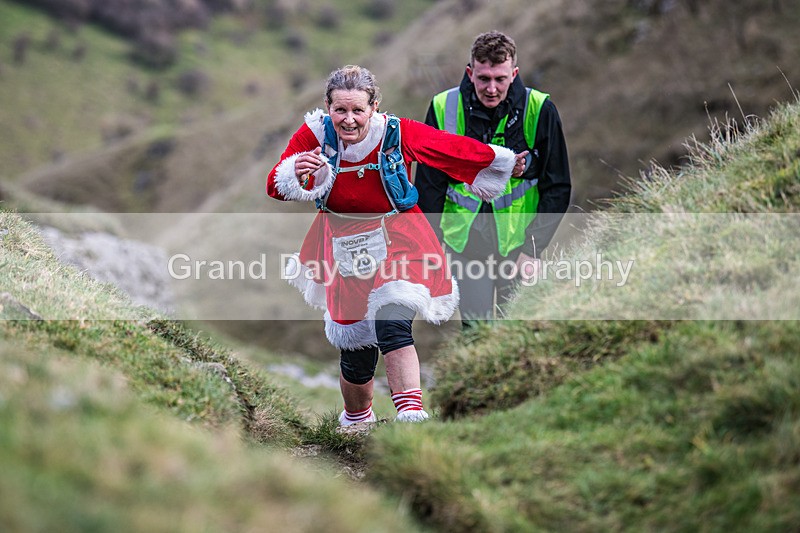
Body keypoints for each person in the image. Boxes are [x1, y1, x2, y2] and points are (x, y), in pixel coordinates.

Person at [267, 65, 524, 426]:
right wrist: (295, 172)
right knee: (356, 348)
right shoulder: (315, 134)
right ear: (328, 107)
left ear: (374, 107)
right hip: (342, 245)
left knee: (392, 322)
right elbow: (274, 185)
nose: (349, 120)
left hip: (399, 237)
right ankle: (357, 421)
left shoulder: (395, 132)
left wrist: (499, 162)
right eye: (340, 110)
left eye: (358, 110)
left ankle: (411, 416)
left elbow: (447, 148)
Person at [416, 31, 572, 324]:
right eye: (483, 78)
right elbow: (428, 186)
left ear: (514, 74)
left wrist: (533, 249)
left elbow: (558, 186)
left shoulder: (540, 109)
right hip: (464, 247)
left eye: (500, 79)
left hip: (518, 246)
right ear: (470, 73)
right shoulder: (442, 107)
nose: (491, 88)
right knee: (476, 332)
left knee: (517, 331)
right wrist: (430, 249)